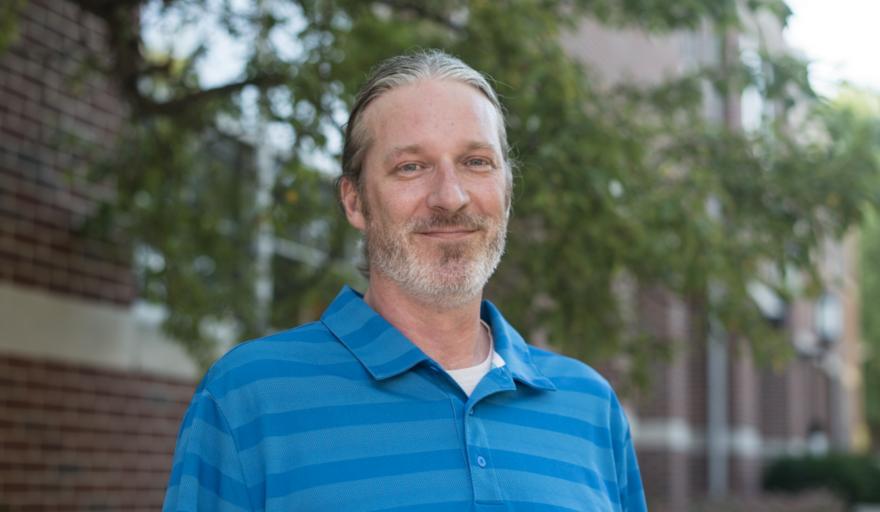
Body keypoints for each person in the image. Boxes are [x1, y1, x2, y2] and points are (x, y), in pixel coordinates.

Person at [163, 49, 647, 512]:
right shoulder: (247, 399)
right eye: (411, 167)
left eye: (476, 162)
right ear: (354, 202)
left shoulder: (590, 407)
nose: (450, 197)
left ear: (506, 188)